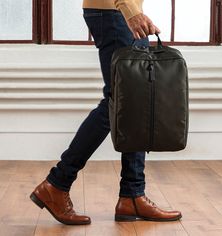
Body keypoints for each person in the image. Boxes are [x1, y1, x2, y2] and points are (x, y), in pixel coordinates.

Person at [30, 0, 182, 225]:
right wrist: (129, 10)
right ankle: (57, 183)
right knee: (119, 100)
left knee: (133, 102)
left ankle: (132, 195)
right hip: (116, 11)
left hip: (119, 10)